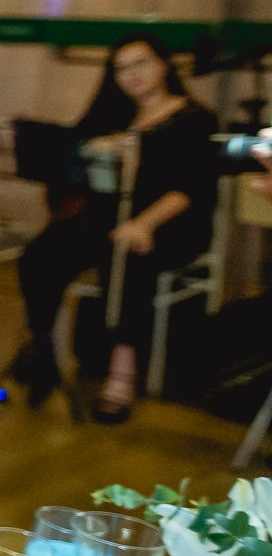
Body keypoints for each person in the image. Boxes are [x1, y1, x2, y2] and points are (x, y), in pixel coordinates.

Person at [14, 33, 217, 422]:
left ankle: (122, 374)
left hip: (169, 223)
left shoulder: (195, 119)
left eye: (139, 63)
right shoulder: (111, 116)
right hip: (107, 221)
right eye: (121, 68)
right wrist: (91, 151)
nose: (131, 75)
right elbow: (71, 170)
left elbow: (191, 189)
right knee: (41, 253)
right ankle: (39, 344)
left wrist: (143, 223)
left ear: (162, 64)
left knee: (127, 261)